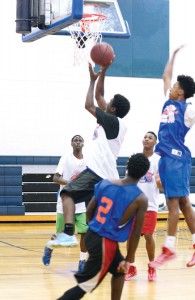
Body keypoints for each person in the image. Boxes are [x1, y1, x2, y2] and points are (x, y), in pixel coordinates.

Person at [47, 62, 131, 248]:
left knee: (67, 194)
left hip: (98, 173)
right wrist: (101, 74)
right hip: (106, 176)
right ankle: (102, 254)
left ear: (113, 109)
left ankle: (69, 234)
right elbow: (99, 96)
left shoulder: (111, 121)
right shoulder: (113, 121)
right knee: (93, 217)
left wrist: (92, 82)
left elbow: (89, 104)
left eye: (109, 103)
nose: (106, 102)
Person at [57, 153, 150, 300]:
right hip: (105, 242)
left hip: (92, 234)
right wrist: (129, 259)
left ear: (126, 166)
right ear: (144, 173)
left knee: (119, 271)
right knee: (85, 286)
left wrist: (95, 228)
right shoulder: (140, 198)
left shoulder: (106, 183)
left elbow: (89, 210)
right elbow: (135, 233)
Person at [150, 46, 195, 268]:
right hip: (167, 158)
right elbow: (165, 76)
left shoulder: (188, 110)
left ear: (181, 92)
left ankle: (169, 247)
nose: (171, 86)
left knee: (173, 202)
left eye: (176, 86)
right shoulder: (168, 102)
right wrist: (174, 55)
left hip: (177, 158)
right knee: (185, 204)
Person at [42, 135, 88, 271]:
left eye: (80, 140)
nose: (78, 142)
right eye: (75, 140)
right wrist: (72, 183)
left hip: (81, 204)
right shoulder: (65, 158)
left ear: (83, 144)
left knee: (84, 232)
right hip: (65, 203)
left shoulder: (89, 160)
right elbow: (56, 178)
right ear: (72, 144)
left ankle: (82, 260)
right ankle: (49, 247)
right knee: (63, 234)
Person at [125, 131, 162, 282]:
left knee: (148, 235)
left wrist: (162, 184)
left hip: (151, 205)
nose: (146, 139)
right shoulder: (134, 158)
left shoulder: (158, 160)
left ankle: (152, 266)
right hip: (134, 205)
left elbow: (161, 183)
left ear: (155, 143)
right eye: (145, 137)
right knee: (131, 236)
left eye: (150, 138)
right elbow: (128, 180)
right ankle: (131, 266)